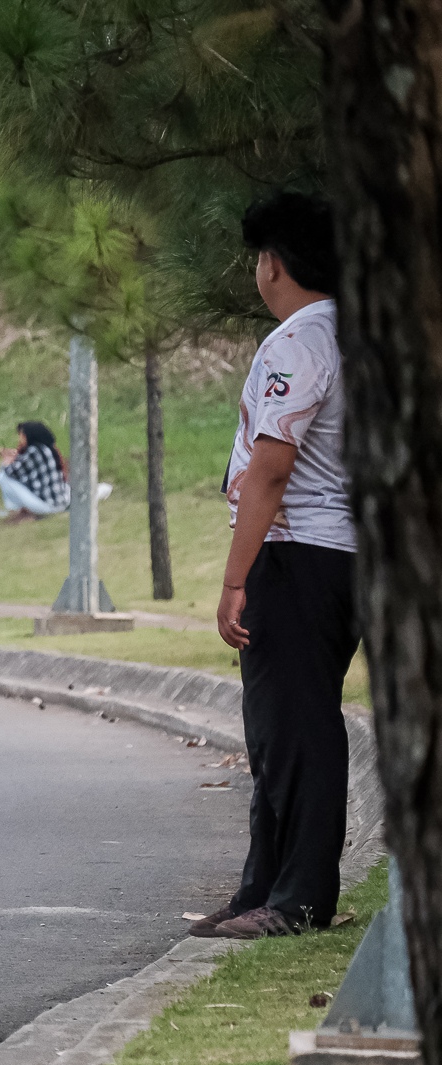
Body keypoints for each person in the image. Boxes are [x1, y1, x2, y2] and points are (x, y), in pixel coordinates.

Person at [189, 192, 358, 941]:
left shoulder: (298, 341)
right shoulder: (357, 334)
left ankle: (298, 901)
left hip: (294, 556)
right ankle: (262, 887)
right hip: (341, 555)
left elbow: (272, 467)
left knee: (295, 730)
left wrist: (235, 579)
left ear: (274, 264)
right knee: (282, 728)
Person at [0, 421, 70, 522]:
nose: (19, 439)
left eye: (21, 435)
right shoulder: (45, 449)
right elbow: (26, 470)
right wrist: (15, 455)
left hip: (48, 507)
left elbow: (12, 472)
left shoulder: (33, 451)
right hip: (61, 503)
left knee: (2, 477)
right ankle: (23, 511)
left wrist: (6, 461)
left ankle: (14, 509)